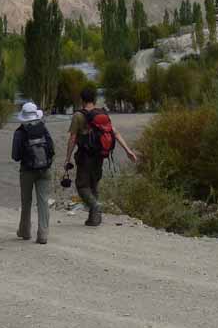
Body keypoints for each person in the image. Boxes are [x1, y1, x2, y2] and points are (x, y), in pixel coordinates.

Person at [64, 87, 138, 226]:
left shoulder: (78, 116)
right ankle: (94, 219)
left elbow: (73, 138)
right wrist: (128, 151)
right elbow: (115, 133)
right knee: (94, 185)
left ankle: (95, 206)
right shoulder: (102, 114)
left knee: (82, 186)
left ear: (82, 100)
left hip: (85, 156)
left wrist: (67, 158)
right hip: (100, 156)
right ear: (94, 100)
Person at [11, 101, 54, 244]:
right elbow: (52, 149)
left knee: (26, 201)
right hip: (45, 169)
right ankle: (43, 234)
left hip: (27, 171)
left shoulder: (19, 132)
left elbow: (15, 156)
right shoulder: (44, 129)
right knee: (43, 201)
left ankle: (25, 231)